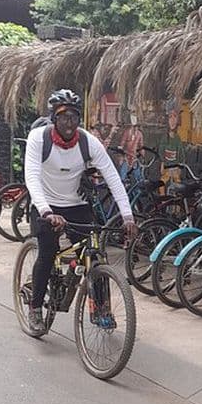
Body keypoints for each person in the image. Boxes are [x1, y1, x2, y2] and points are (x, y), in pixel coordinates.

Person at [24, 89, 138, 333]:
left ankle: (101, 309)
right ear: (54, 118)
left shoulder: (88, 142)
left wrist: (128, 216)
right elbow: (32, 177)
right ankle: (35, 307)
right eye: (63, 117)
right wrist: (45, 211)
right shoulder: (38, 139)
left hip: (76, 205)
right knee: (47, 252)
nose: (69, 122)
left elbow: (113, 179)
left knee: (96, 253)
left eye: (74, 117)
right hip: (46, 205)